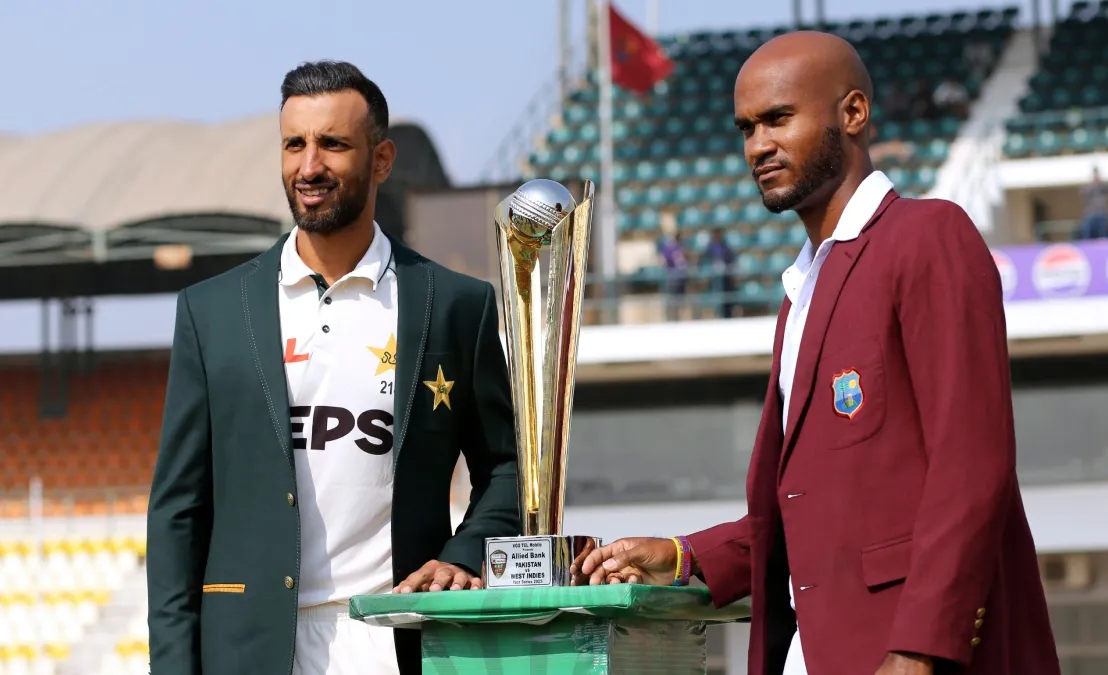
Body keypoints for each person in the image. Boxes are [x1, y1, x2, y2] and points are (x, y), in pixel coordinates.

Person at [576, 32, 1059, 675]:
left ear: (852, 114)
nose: (758, 146)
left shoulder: (927, 237)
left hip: (911, 652)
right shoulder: (801, 290)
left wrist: (921, 647)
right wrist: (683, 555)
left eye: (778, 119)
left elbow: (972, 465)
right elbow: (812, 513)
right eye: (746, 128)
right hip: (811, 653)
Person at [146, 60, 520, 675]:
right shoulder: (210, 311)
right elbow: (177, 511)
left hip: (398, 637)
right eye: (294, 144)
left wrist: (466, 552)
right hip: (249, 646)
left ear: (381, 159)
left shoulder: (456, 303)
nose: (309, 166)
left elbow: (508, 466)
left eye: (333, 144)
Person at [1079, 166, 1108, 239]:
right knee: (1087, 233)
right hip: (1091, 213)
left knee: (1102, 234)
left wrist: (1100, 184)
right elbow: (1083, 192)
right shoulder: (1089, 187)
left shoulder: (1103, 186)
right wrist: (1094, 185)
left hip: (1101, 213)